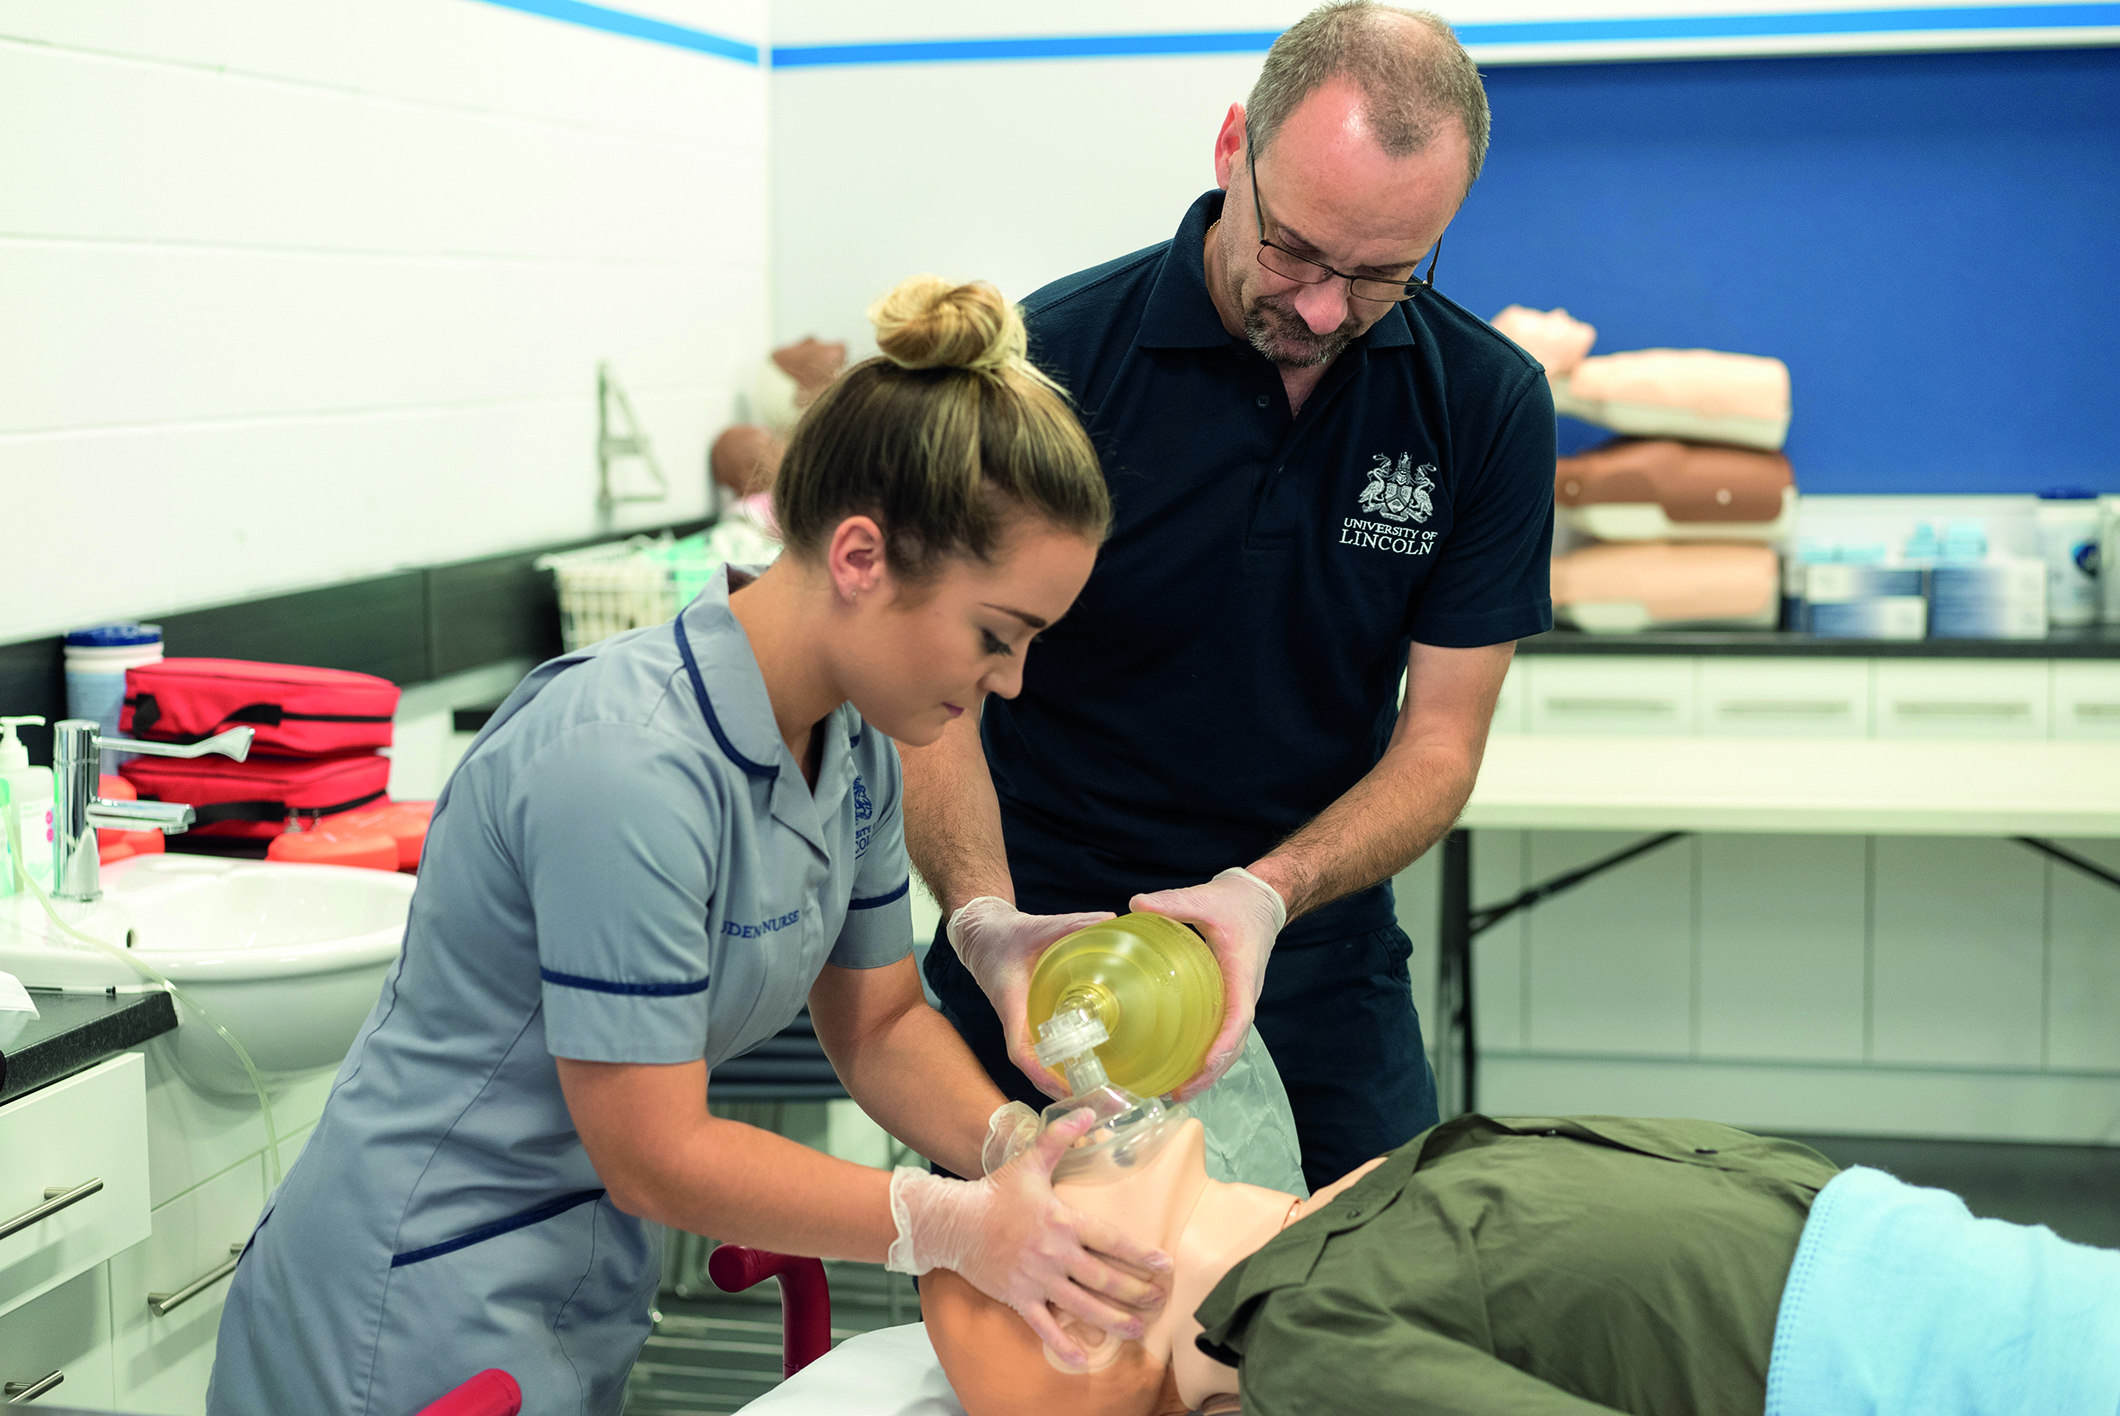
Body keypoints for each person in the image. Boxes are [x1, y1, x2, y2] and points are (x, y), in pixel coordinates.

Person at [206, 277, 1175, 1416]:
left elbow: (878, 1024)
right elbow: (655, 1151)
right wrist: (946, 1225)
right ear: (860, 558)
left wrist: (1016, 1144)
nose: (1007, 682)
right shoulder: (625, 762)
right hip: (407, 1307)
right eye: (994, 636)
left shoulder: (853, 744)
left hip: (578, 1281)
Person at [906, 1, 1556, 1193]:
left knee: (1362, 1314)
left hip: (1310, 942)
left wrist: (1267, 893)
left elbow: (1440, 742)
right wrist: (982, 920)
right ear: (1228, 154)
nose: (1319, 309)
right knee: (1051, 1334)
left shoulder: (1485, 403)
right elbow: (934, 703)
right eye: (1295, 251)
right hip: (1049, 950)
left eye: (1380, 276)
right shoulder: (1049, 366)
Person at [922, 1110, 2120, 1416]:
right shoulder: (1307, 1335)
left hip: (1990, 1298)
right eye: (1015, 1247)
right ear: (1082, 1324)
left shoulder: (1376, 1191)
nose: (1047, 1143)